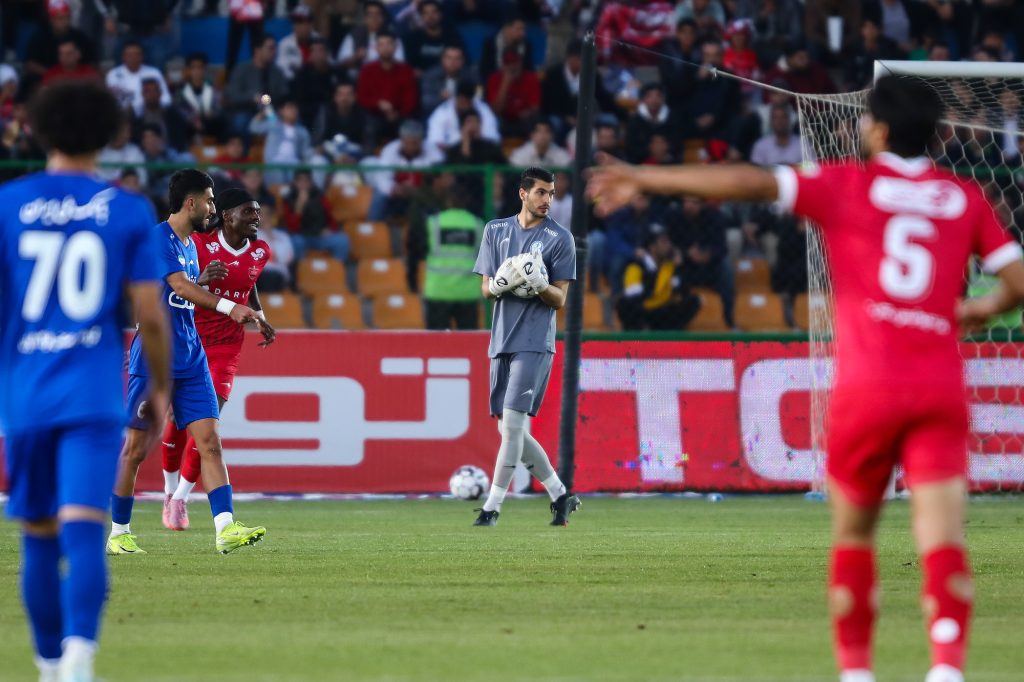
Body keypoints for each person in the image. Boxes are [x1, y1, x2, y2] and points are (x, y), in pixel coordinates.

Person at [588, 75, 1024, 682]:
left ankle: (856, 672)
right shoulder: (965, 196)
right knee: (942, 539)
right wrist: (979, 309)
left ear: (877, 130)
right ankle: (947, 668)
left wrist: (646, 177)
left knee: (854, 538)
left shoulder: (847, 184)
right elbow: (1017, 283)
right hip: (937, 387)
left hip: (868, 387)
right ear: (937, 134)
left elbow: (749, 182)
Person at [1, 81, 170, 682]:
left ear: (37, 129)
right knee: (84, 528)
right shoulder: (126, 208)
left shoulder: (8, 203)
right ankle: (79, 657)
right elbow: (150, 315)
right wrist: (159, 387)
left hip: (27, 395)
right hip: (93, 395)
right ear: (109, 135)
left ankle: (48, 664)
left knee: (39, 535)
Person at [108, 169, 268, 556]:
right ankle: (118, 532)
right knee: (135, 449)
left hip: (193, 358)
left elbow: (184, 293)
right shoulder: (158, 238)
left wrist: (207, 283)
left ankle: (225, 528)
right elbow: (178, 286)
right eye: (210, 201)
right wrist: (230, 307)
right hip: (156, 359)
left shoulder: (191, 246)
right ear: (191, 202)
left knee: (209, 442)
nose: (214, 208)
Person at [160, 189, 277, 530]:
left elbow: (249, 284)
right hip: (190, 338)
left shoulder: (261, 251)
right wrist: (201, 280)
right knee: (175, 422)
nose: (256, 217)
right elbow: (178, 288)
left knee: (208, 422)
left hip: (227, 345)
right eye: (249, 211)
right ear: (227, 216)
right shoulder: (198, 245)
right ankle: (168, 490)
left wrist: (261, 317)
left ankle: (181, 497)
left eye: (258, 212)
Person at [471, 167, 580, 527]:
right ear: (523, 194)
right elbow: (486, 290)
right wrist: (499, 285)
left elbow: (559, 299)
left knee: (514, 427)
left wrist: (538, 283)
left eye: (552, 193)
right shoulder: (495, 230)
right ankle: (561, 495)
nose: (548, 200)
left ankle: (492, 507)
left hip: (534, 342)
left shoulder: (560, 238)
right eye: (541, 193)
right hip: (501, 340)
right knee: (509, 431)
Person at [422, 190, 484, 330]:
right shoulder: (477, 224)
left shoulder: (434, 223)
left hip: (438, 290)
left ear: (447, 201)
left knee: (436, 340)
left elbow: (420, 249)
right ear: (466, 202)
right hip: (467, 291)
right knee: (468, 340)